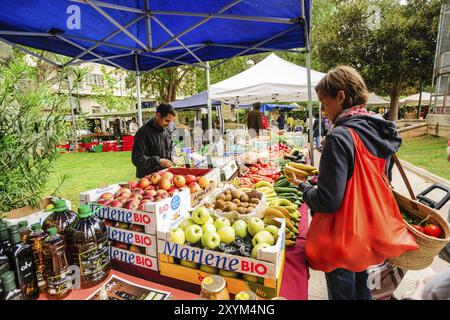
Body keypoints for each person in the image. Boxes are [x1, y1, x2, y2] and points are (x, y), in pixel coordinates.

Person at [286, 66, 417, 300]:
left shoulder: (339, 136)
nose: (324, 111)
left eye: (324, 102)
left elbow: (328, 200)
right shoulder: (378, 130)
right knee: (363, 293)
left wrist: (303, 186)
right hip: (369, 235)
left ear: (341, 96)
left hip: (343, 241)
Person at [132, 103, 176, 178]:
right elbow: (137, 159)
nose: (168, 124)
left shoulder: (167, 130)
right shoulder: (143, 132)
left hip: (164, 176)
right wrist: (158, 161)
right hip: (147, 178)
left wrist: (177, 154)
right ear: (158, 115)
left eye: (170, 122)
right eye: (166, 120)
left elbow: (170, 147)